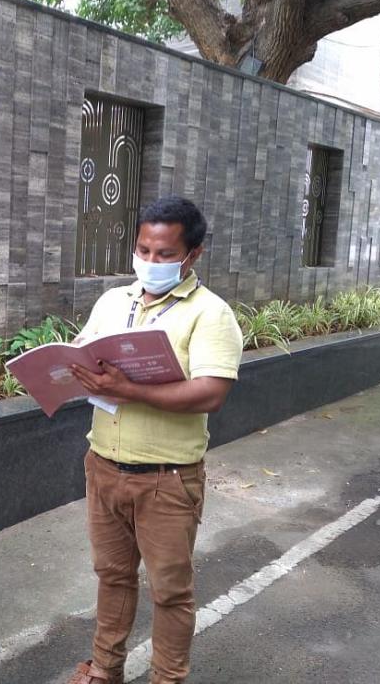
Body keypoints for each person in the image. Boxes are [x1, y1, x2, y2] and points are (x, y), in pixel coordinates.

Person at [67, 195, 243, 684]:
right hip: (103, 467)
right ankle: (105, 670)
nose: (151, 262)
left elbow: (212, 392)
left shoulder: (210, 314)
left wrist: (129, 389)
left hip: (167, 480)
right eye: (144, 250)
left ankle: (167, 677)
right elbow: (81, 353)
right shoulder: (113, 301)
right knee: (113, 577)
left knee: (170, 591)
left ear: (193, 255)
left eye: (165, 254)